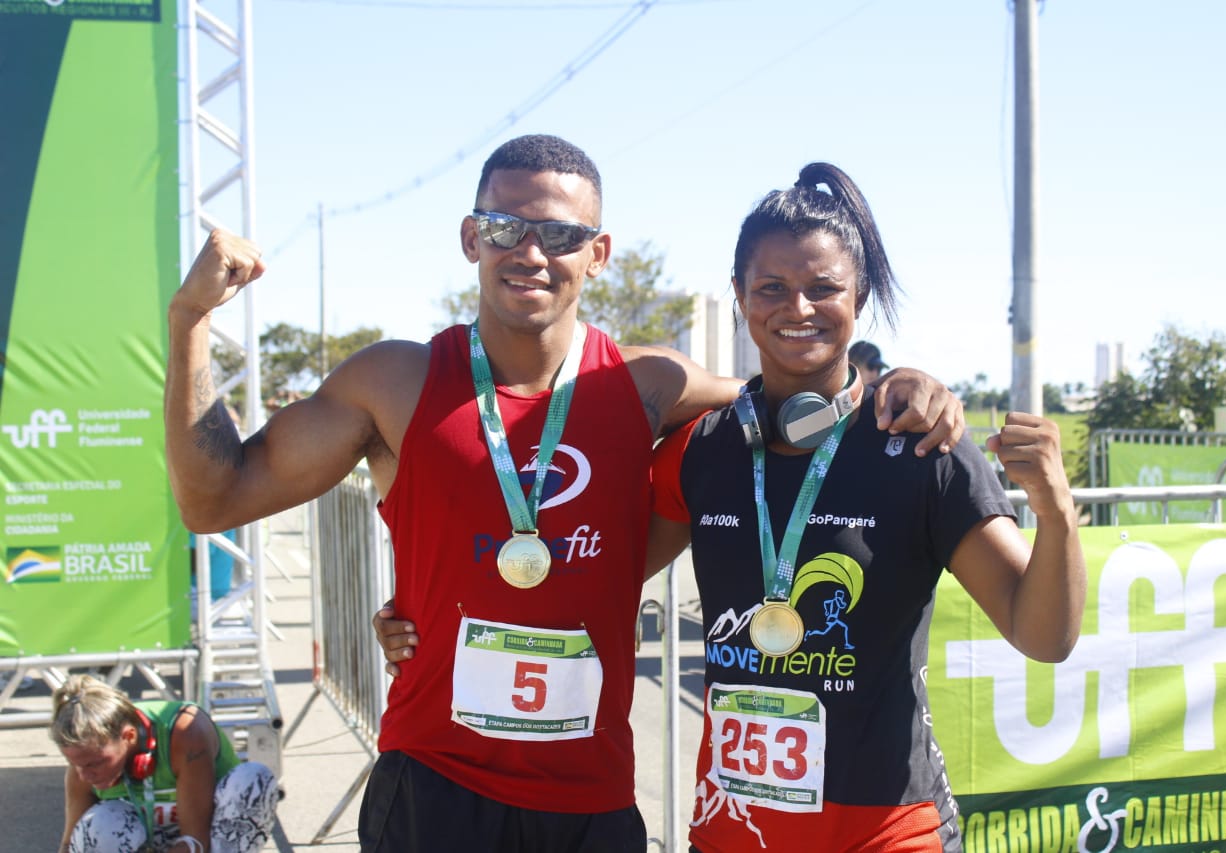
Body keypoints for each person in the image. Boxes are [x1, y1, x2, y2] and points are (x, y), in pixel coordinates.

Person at [166, 134, 966, 852]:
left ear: (599, 252)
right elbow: (215, 499)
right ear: (472, 237)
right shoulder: (397, 381)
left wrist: (900, 382)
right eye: (507, 227)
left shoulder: (646, 384)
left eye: (561, 234)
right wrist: (190, 320)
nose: (532, 252)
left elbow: (803, 394)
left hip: (591, 801)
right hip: (437, 783)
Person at [641, 162, 1086, 852]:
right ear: (738, 295)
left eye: (824, 288)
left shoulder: (921, 443)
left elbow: (1043, 635)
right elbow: (592, 575)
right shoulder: (705, 445)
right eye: (772, 288)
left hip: (883, 831)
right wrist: (416, 621)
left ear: (861, 294)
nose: (799, 308)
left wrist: (1057, 514)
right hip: (734, 830)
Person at [50, 674, 278, 853]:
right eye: (74, 763)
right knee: (100, 823)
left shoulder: (185, 733)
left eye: (95, 764)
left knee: (252, 779)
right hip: (146, 840)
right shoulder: (84, 761)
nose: (84, 775)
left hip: (210, 838)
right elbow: (70, 845)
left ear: (128, 737)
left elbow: (195, 842)